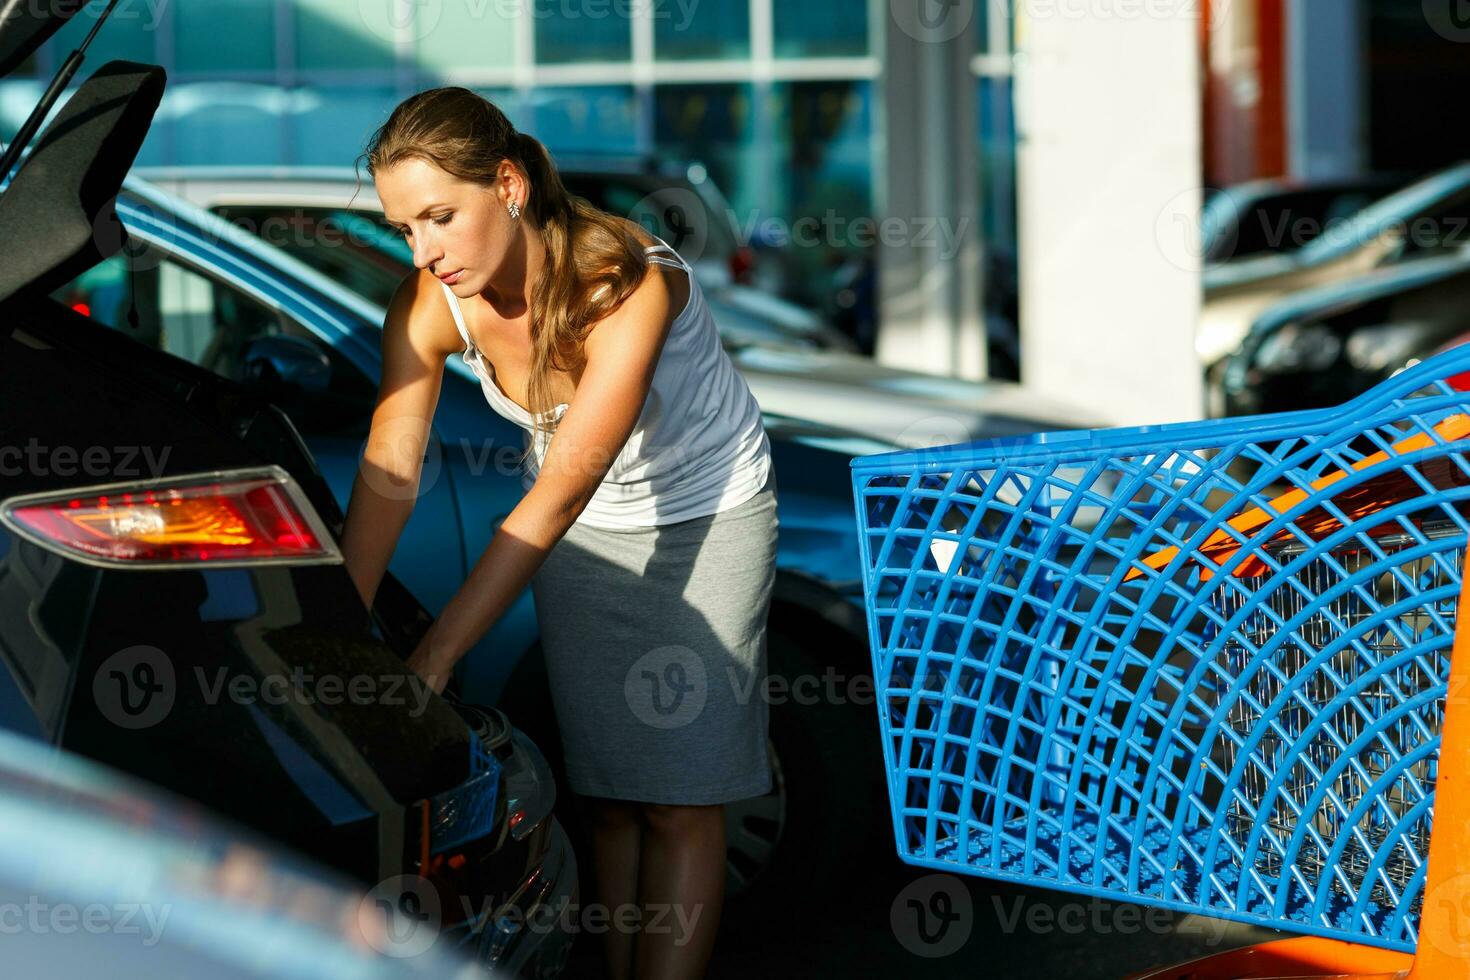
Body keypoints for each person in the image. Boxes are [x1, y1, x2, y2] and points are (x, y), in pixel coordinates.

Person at [339, 86, 778, 980]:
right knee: (611, 795)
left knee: (681, 798)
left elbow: (557, 494)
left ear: (506, 183)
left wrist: (436, 654)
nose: (423, 252)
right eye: (403, 229)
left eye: (439, 217)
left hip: (706, 516)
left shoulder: (627, 281)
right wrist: (339, 628)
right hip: (586, 539)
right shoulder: (431, 304)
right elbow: (391, 469)